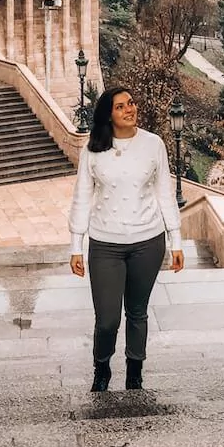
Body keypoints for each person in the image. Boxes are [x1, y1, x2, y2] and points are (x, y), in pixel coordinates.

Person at [68, 87, 184, 393]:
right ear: (109, 114)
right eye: (121, 107)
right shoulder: (93, 150)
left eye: (131, 103)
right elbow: (81, 196)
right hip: (105, 244)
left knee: (137, 312)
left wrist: (176, 240)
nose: (130, 109)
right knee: (107, 319)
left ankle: (135, 371)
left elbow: (164, 193)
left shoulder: (153, 144)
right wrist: (76, 246)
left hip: (148, 241)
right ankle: (102, 368)